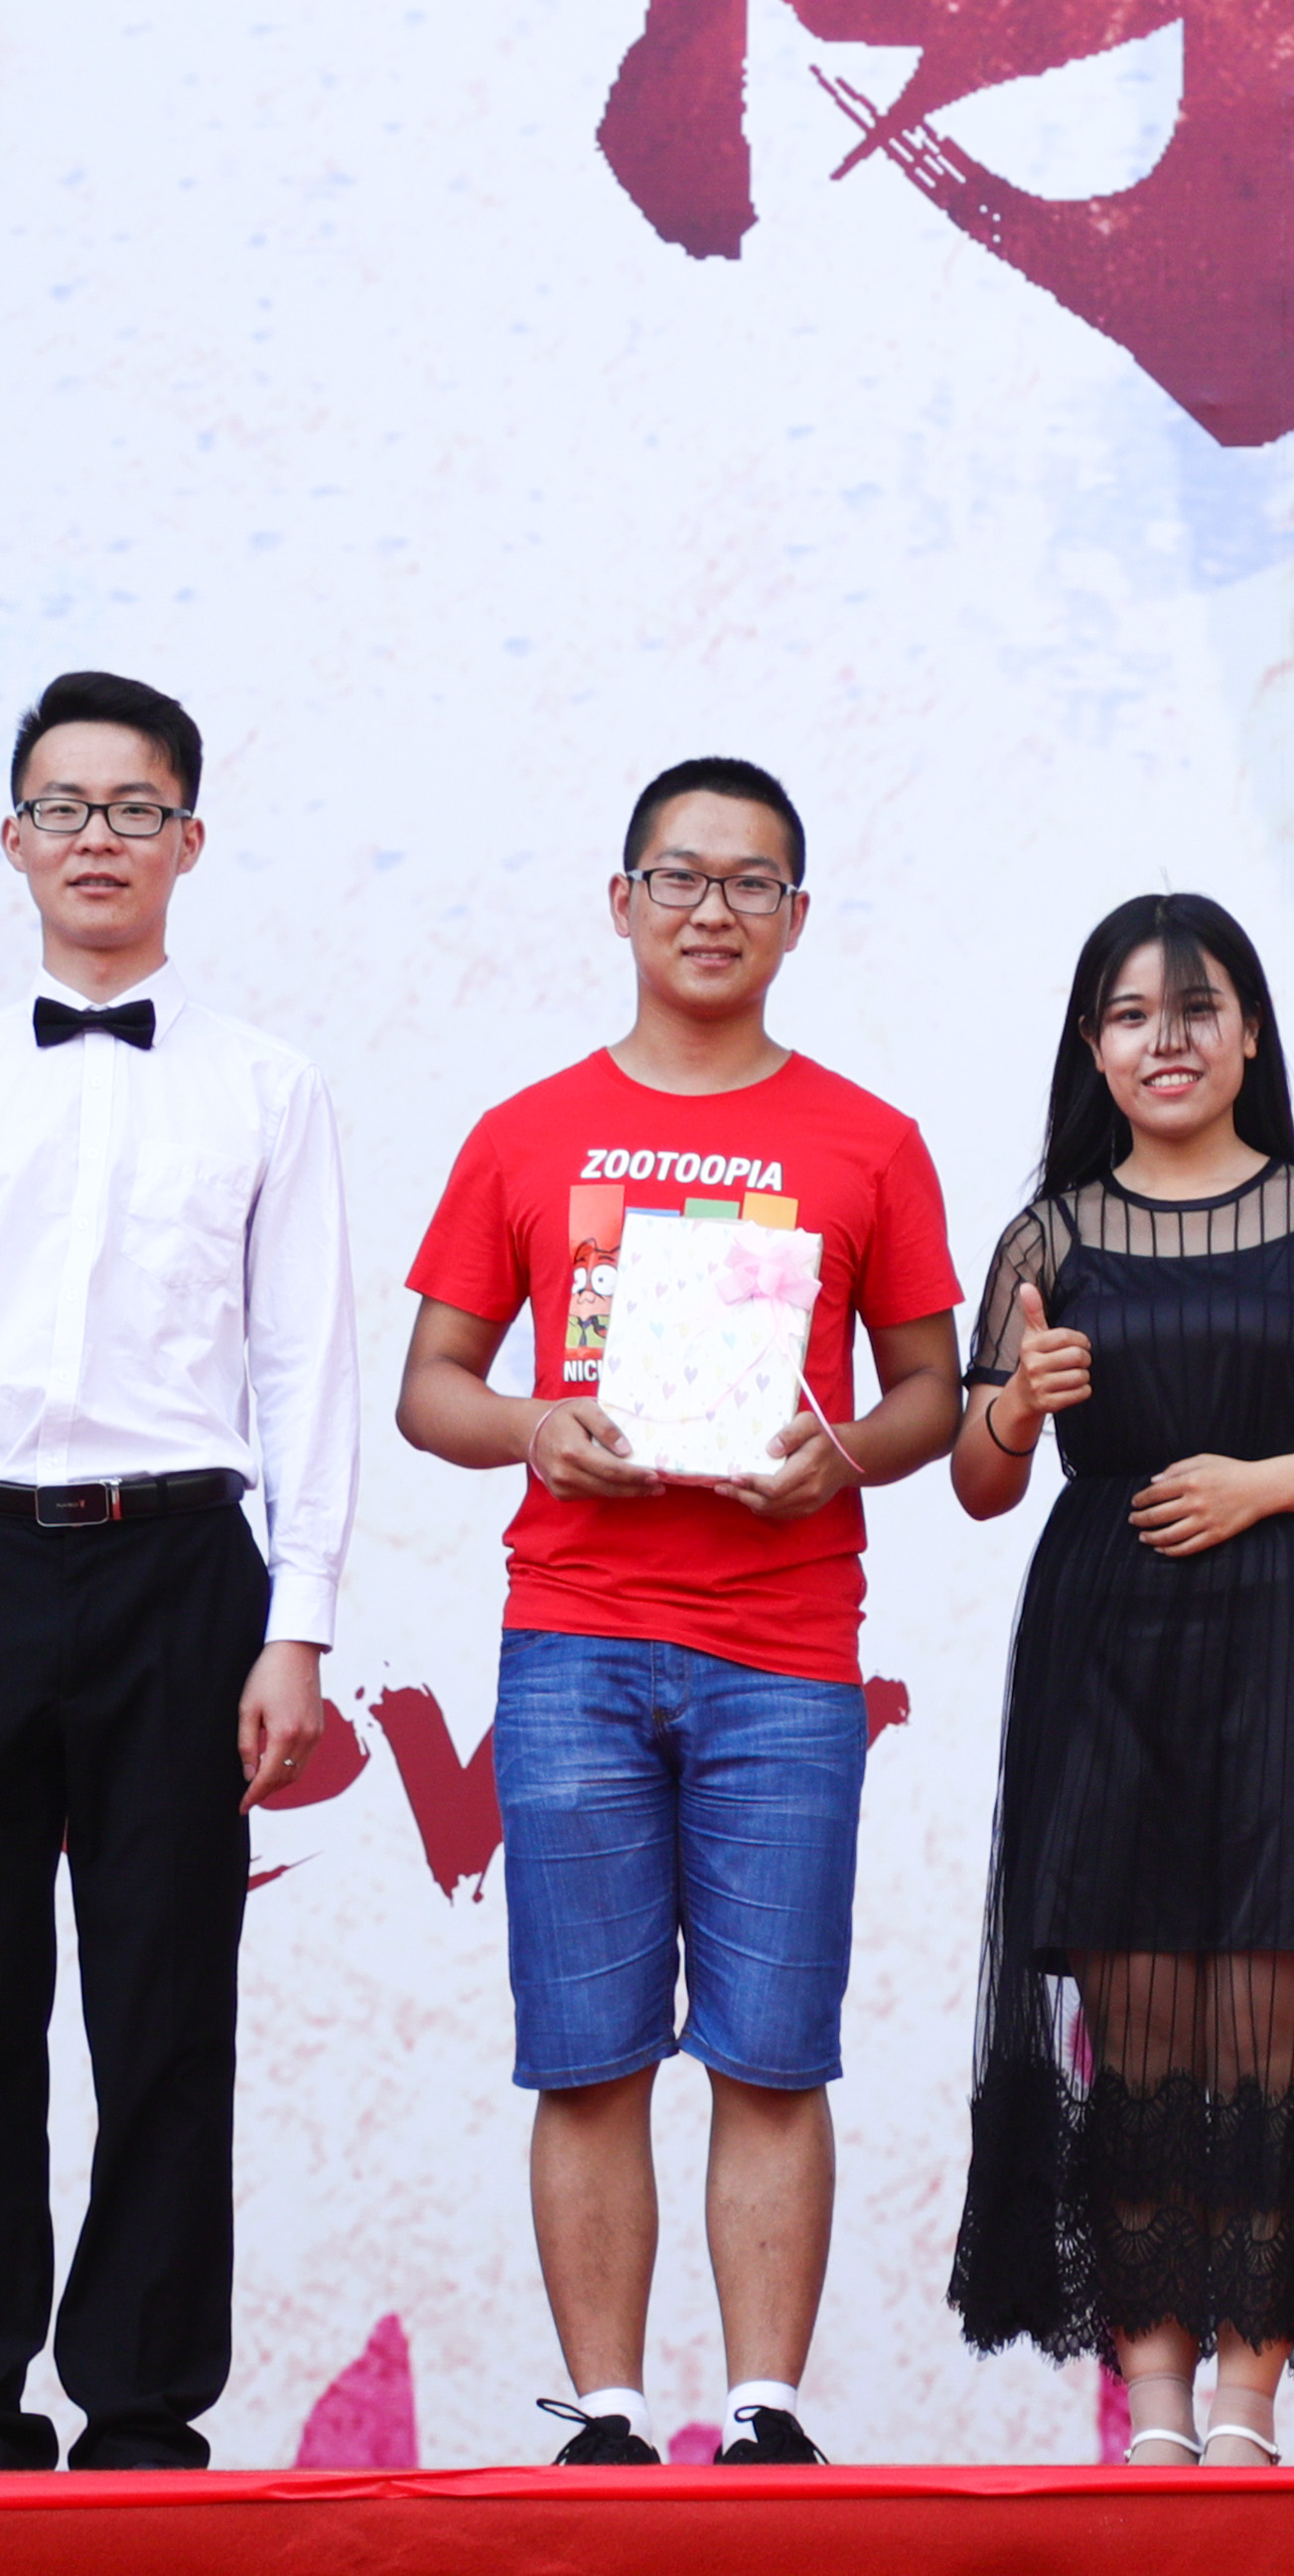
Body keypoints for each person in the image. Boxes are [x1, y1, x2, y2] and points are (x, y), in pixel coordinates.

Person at [0, 673, 365, 2472]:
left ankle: (139, 2400)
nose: (98, 838)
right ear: (13, 838)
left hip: (183, 1568)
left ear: (190, 840)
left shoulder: (271, 1085)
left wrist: (299, 1623)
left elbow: (306, 1363)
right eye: (64, 806)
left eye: (135, 808)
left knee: (165, 2003)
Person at [398, 756, 963, 2469]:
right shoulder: (524, 1130)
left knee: (773, 2048)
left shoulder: (871, 1139)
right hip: (573, 1635)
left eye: (749, 882)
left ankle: (766, 2409)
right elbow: (432, 1385)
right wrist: (534, 1425)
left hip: (787, 1652)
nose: (712, 908)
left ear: (798, 917)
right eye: (680, 875)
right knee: (588, 2049)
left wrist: (838, 1452)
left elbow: (932, 1393)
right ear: (622, 898)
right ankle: (609, 2412)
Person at [946, 894, 1294, 2464]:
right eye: (1129, 1013)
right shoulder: (1046, 1237)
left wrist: (1264, 1483)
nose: (1162, 1040)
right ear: (1092, 1045)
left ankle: (1248, 2408)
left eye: (1195, 1008)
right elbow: (977, 1481)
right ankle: (1157, 2409)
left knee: (1265, 2036)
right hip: (1106, 1637)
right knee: (1140, 2041)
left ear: (1250, 1033)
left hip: (1286, 1626)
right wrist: (1017, 1407)